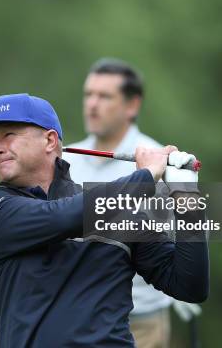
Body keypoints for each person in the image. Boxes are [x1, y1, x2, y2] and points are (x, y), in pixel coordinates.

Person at [0, 93, 209, 347]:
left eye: (8, 135)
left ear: (49, 140)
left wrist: (188, 198)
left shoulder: (116, 210)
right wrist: (146, 177)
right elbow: (62, 217)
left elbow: (189, 286)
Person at [63, 58, 202, 347]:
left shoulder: (162, 164)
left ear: (132, 105)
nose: (92, 104)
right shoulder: (66, 160)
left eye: (104, 96)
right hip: (79, 317)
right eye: (88, 94)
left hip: (141, 322)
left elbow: (169, 247)